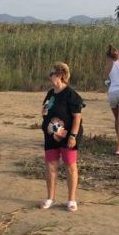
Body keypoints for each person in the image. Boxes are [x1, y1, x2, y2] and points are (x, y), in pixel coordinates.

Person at [40, 62, 84, 212]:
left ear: (60, 75)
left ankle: (71, 199)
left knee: (70, 166)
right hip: (51, 136)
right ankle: (50, 198)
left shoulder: (71, 95)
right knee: (50, 165)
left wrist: (73, 136)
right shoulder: (51, 93)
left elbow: (77, 118)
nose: (50, 76)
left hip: (67, 136)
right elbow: (45, 108)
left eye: (52, 73)